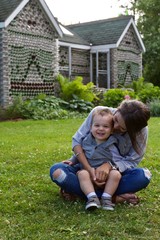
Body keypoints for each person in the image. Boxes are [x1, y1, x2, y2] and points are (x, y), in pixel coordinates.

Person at [50, 100, 152, 205]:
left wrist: (109, 166)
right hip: (86, 167)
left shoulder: (141, 131)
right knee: (57, 171)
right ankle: (111, 198)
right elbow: (77, 141)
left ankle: (86, 195)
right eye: (115, 120)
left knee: (143, 176)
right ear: (117, 110)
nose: (115, 127)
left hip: (114, 176)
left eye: (122, 129)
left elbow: (132, 160)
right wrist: (89, 169)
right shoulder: (98, 113)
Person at [76, 108, 121, 210]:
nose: (101, 129)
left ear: (112, 130)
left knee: (116, 174)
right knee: (82, 174)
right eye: (97, 125)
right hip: (89, 175)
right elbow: (81, 153)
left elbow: (117, 161)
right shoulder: (86, 140)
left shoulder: (112, 145)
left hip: (106, 177)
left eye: (105, 126)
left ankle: (106, 198)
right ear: (91, 127)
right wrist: (72, 161)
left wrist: (109, 167)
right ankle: (92, 198)